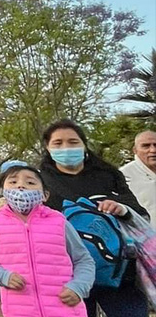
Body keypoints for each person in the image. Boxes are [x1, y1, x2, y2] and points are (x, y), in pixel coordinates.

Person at [40, 118, 150, 317]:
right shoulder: (39, 182)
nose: (66, 148)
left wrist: (121, 208)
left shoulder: (108, 175)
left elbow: (139, 213)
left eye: (73, 142)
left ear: (84, 145)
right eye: (58, 143)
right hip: (68, 275)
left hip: (118, 271)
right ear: (48, 148)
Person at [0, 162, 95, 316]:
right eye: (13, 182)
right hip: (19, 311)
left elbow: (84, 260)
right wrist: (3, 276)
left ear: (45, 195)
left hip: (66, 310)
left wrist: (78, 287)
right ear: (3, 191)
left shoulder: (59, 222)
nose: (20, 186)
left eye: (30, 182)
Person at [120, 130, 156, 230]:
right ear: (135, 150)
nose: (153, 150)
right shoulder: (123, 176)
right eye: (146, 146)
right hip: (145, 236)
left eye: (155, 145)